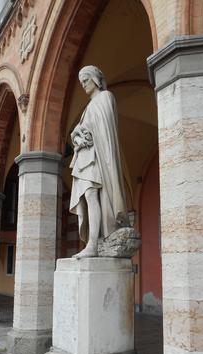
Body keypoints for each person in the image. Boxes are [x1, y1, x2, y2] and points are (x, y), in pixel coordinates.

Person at [69, 65, 128, 259]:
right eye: (81, 82)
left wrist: (84, 132)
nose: (83, 85)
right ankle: (94, 241)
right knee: (88, 196)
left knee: (91, 194)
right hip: (85, 157)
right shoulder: (88, 106)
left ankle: (93, 244)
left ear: (95, 79)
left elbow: (104, 128)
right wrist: (76, 135)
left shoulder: (105, 97)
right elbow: (79, 129)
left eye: (85, 80)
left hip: (98, 156)